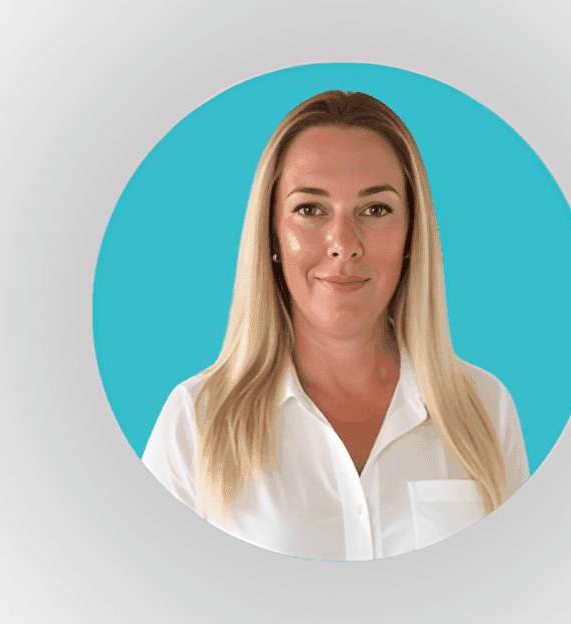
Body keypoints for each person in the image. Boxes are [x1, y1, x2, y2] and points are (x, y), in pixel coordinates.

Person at [143, 91, 528, 561]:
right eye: (310, 209)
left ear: (412, 234)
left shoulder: (486, 410)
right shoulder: (194, 423)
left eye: (375, 210)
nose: (344, 244)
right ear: (272, 235)